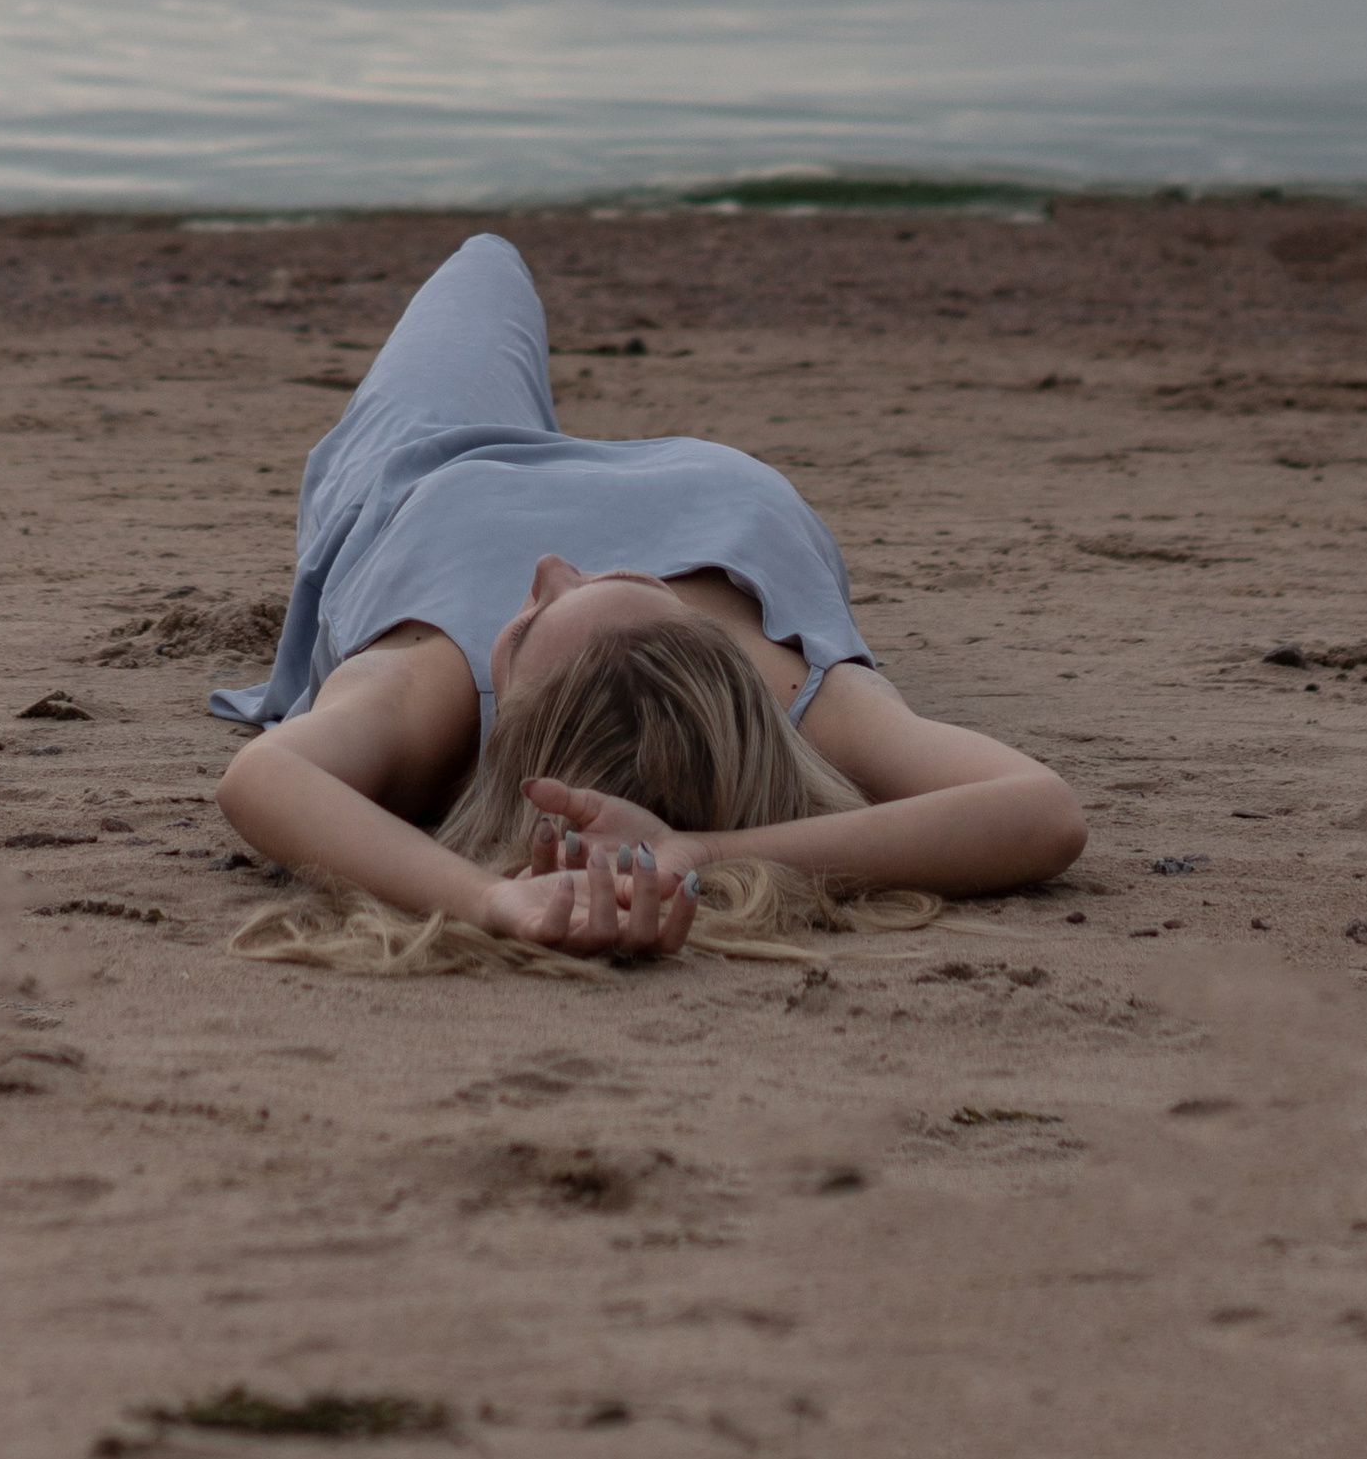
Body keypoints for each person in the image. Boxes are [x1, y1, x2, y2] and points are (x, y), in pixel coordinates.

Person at [213, 230, 1085, 966]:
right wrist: (704, 851)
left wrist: (490, 901)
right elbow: (1040, 809)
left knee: (484, 260)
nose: (554, 562)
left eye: (523, 626)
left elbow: (263, 778)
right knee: (488, 255)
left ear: (507, 719)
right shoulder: (788, 689)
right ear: (713, 647)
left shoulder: (431, 688)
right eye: (635, 580)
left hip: (443, 458)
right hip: (673, 481)